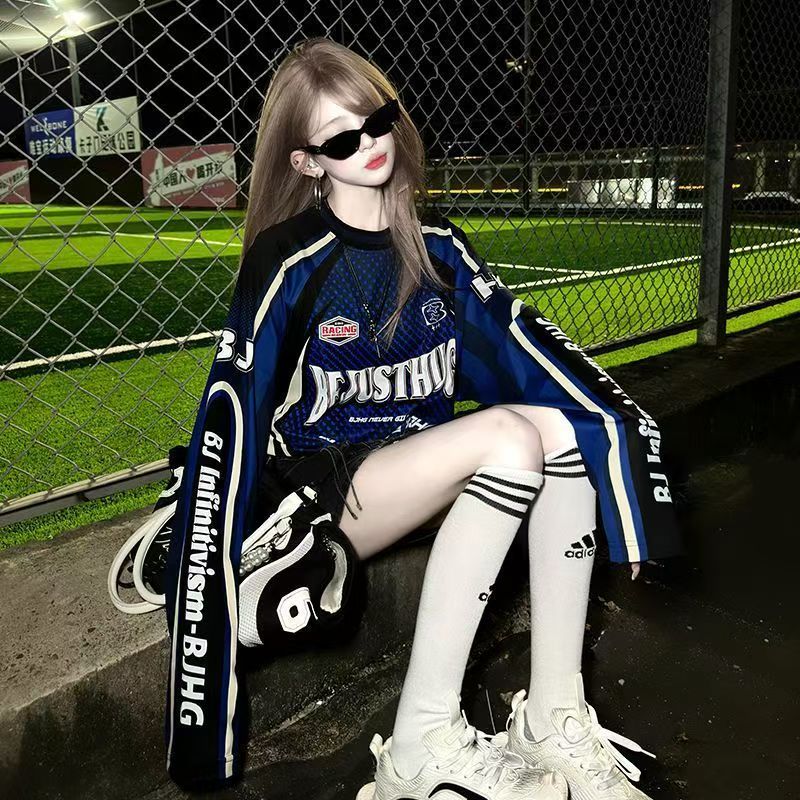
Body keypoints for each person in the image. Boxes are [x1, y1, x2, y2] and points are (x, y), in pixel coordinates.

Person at [164, 36, 682, 798]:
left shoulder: (438, 247)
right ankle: (419, 743)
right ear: (307, 162)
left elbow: (534, 355)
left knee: (557, 425)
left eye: (377, 120)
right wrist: (205, 566)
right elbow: (230, 416)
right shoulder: (289, 259)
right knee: (510, 437)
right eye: (342, 139)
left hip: (419, 465)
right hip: (324, 489)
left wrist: (634, 480)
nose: (370, 143)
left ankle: (554, 715)